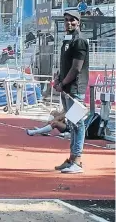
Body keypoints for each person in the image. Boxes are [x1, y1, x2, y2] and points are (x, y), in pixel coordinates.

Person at [52, 10, 89, 174]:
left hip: (75, 89)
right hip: (66, 88)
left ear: (78, 22)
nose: (68, 23)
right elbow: (65, 65)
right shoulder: (67, 40)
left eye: (72, 20)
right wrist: (58, 80)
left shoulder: (79, 41)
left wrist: (63, 83)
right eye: (66, 20)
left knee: (77, 123)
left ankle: (77, 160)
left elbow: (76, 68)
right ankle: (72, 158)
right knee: (72, 124)